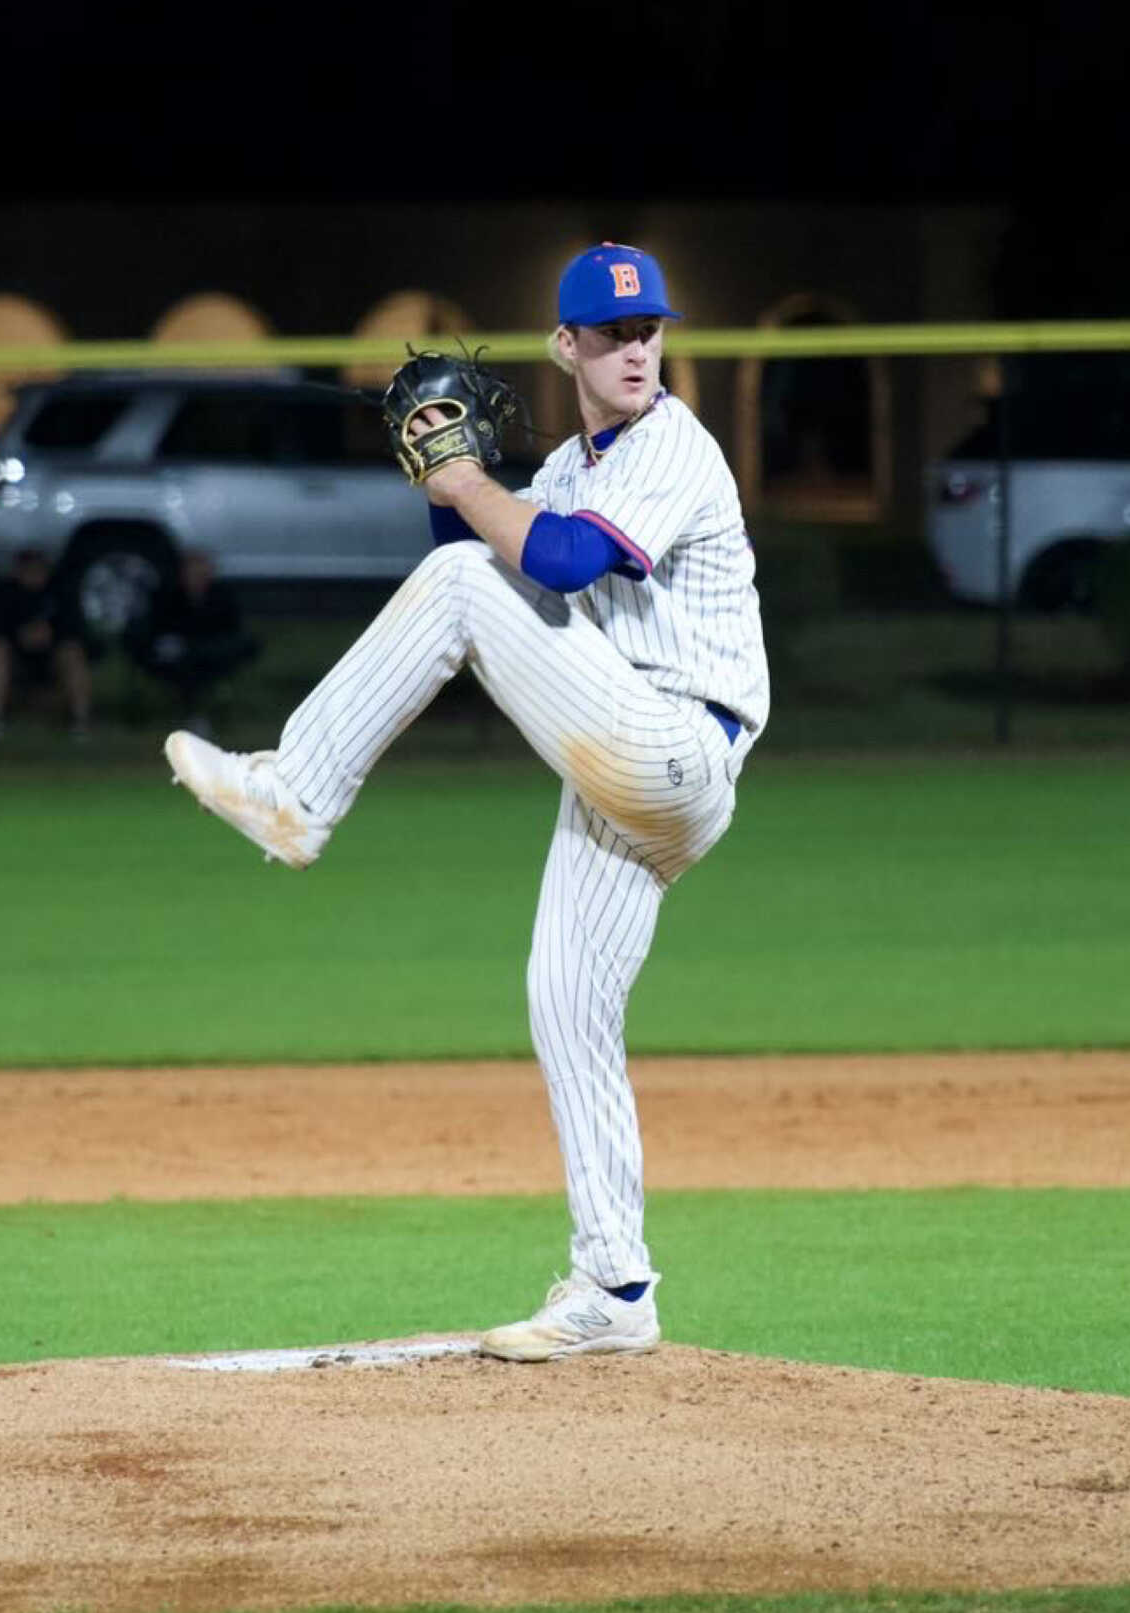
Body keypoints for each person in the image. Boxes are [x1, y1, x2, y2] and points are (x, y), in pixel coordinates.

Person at [162, 243, 769, 1361]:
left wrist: (464, 481)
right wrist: (447, 478)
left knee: (457, 583)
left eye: (650, 331)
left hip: (676, 745)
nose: (637, 349)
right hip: (626, 773)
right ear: (566, 347)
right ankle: (615, 1285)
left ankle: (295, 791)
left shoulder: (672, 446)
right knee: (564, 998)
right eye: (612, 333)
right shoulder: (577, 467)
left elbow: (568, 562)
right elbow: (488, 552)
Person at [122, 547, 256, 737]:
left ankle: (196, 713)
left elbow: (234, 632)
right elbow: (151, 630)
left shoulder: (222, 597)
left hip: (212, 656)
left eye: (201, 569)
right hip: (174, 659)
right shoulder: (166, 596)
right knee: (182, 664)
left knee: (202, 662)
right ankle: (190, 714)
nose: (196, 575)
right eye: (191, 570)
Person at [0, 546, 93, 740]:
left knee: (72, 653)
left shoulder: (60, 591)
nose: (34, 575)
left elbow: (75, 631)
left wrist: (51, 635)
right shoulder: (7, 592)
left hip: (52, 656)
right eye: (28, 570)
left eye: (38, 570)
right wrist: (19, 636)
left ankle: (80, 721)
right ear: (18, 571)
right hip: (15, 658)